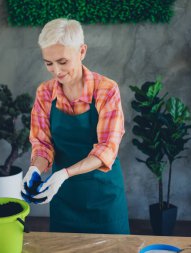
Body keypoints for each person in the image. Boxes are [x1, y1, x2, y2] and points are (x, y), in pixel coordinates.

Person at [21, 18, 130, 234]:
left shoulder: (106, 90)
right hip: (64, 198)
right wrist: (35, 169)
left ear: (81, 51)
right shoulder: (45, 92)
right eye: (49, 63)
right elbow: (43, 143)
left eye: (63, 61)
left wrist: (62, 174)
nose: (56, 71)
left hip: (103, 196)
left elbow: (107, 148)